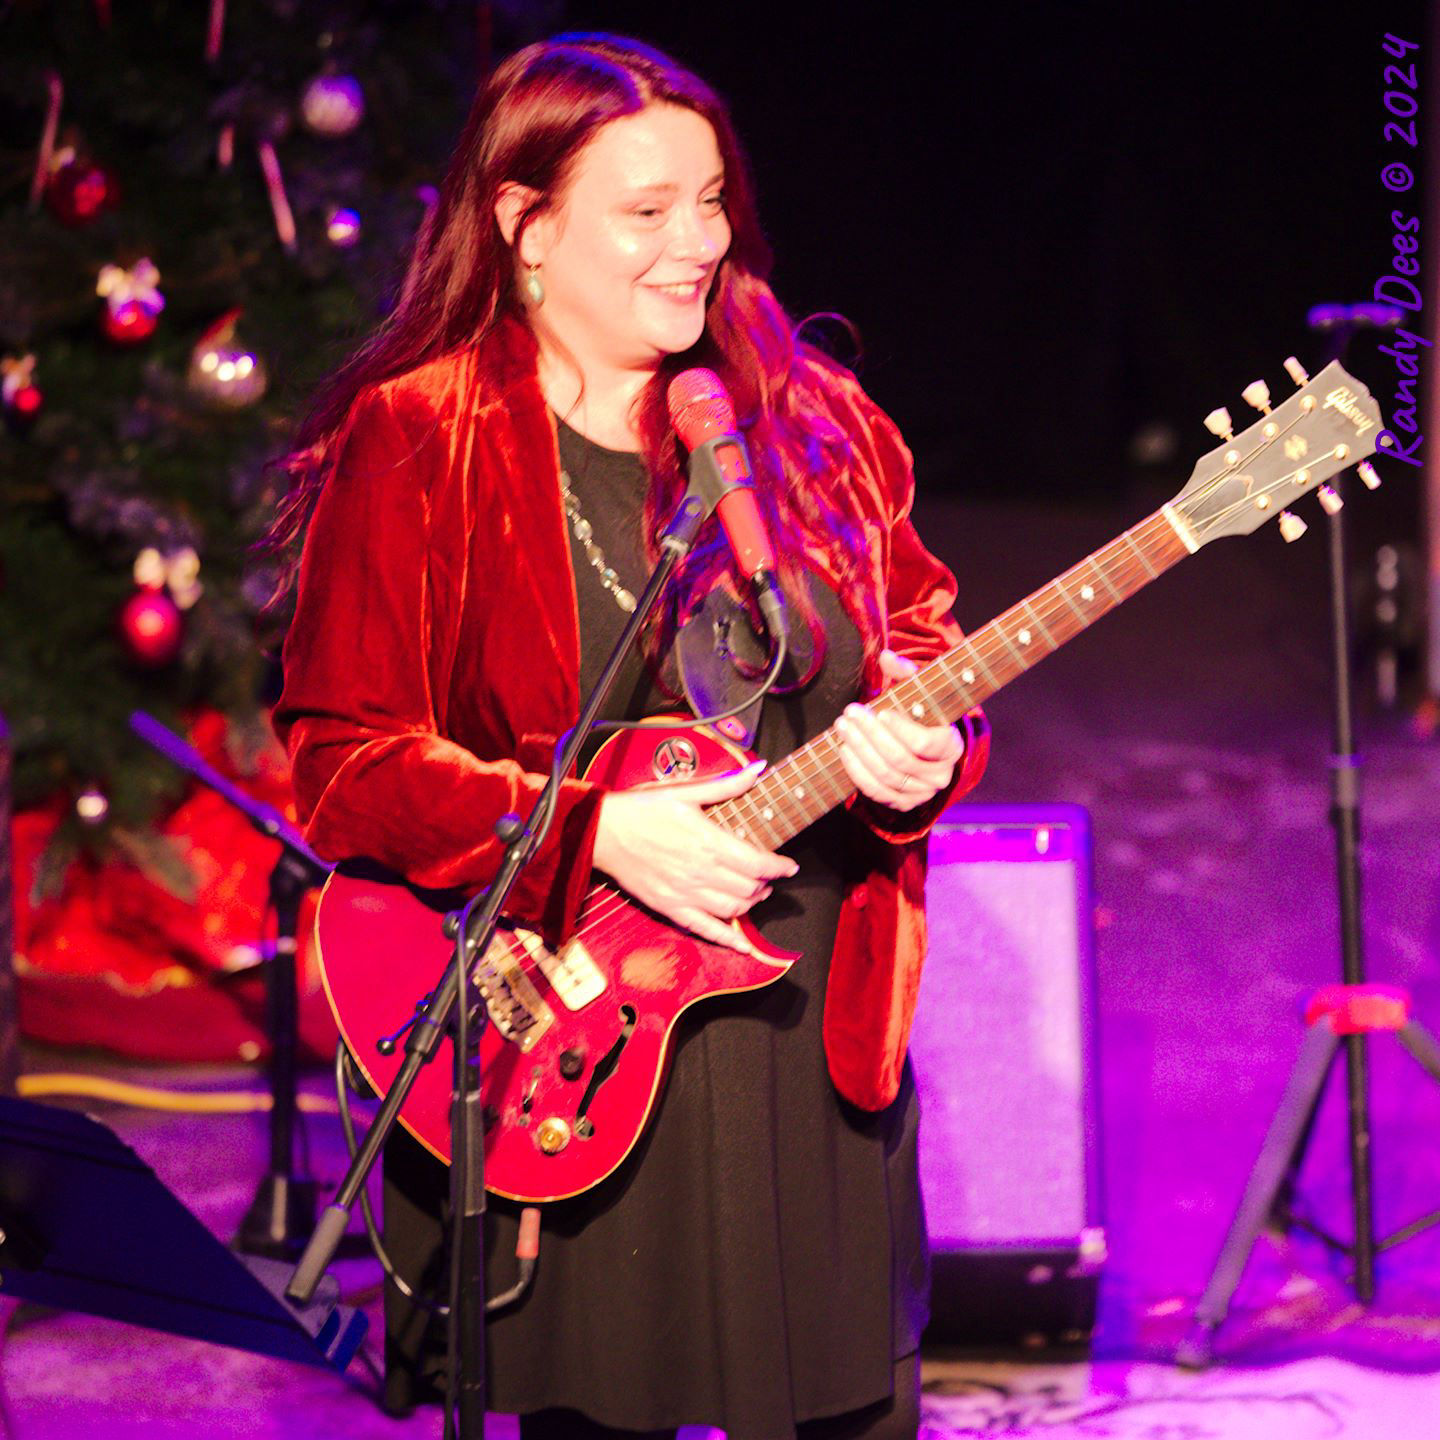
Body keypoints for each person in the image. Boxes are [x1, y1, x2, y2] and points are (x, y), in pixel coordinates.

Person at [271, 32, 989, 1440]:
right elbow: (343, 763)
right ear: (523, 227)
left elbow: (922, 642)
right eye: (647, 212)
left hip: (804, 1043)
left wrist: (927, 760)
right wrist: (589, 828)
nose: (697, 245)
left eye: (711, 202)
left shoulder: (810, 419)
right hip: (574, 1053)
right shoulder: (423, 436)